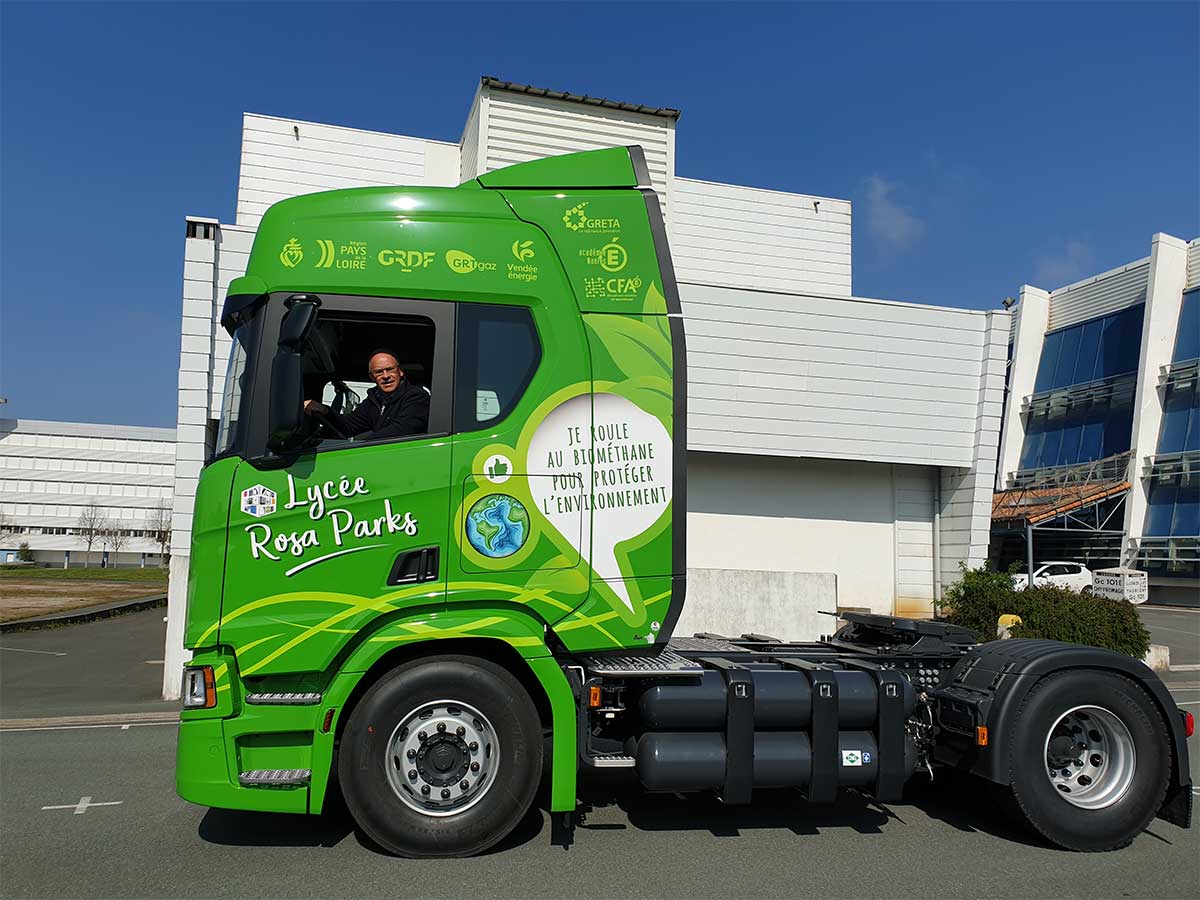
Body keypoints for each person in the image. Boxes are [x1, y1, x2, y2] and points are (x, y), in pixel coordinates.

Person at [303, 350, 430, 440]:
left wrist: (362, 445)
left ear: (400, 372)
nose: (386, 376)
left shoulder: (416, 397)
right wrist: (325, 411)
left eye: (390, 369)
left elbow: (401, 430)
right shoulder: (374, 400)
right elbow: (348, 426)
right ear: (372, 377)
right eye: (379, 372)